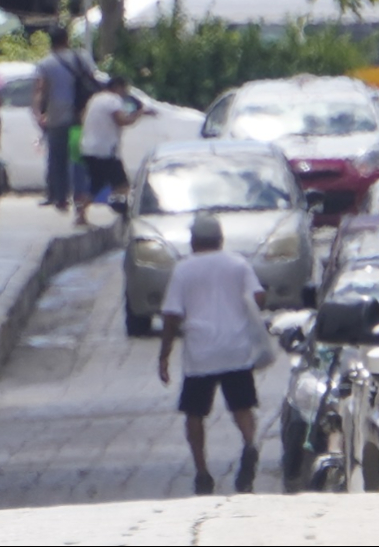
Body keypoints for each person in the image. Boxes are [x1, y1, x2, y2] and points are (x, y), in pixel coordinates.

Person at [158, 214, 265, 496]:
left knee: (194, 413)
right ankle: (250, 444)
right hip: (235, 348)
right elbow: (258, 297)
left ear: (194, 240)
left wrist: (164, 354)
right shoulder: (238, 264)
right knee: (242, 407)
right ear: (220, 239)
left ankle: (202, 473)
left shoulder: (183, 270)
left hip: (200, 352)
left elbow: (171, 314)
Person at [32, 26, 91, 211]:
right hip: (80, 115)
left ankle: (60, 198)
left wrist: (39, 113)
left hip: (57, 116)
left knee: (58, 158)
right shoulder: (82, 58)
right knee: (79, 157)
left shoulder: (45, 64)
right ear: (67, 40)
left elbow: (41, 91)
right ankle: (80, 195)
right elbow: (91, 81)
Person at [76, 76, 148, 223]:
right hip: (105, 151)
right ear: (118, 88)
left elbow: (83, 116)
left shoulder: (96, 99)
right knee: (122, 185)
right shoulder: (113, 100)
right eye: (124, 89)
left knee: (97, 184)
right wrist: (139, 114)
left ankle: (81, 212)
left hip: (88, 148)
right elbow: (122, 121)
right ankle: (122, 214)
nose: (125, 93)